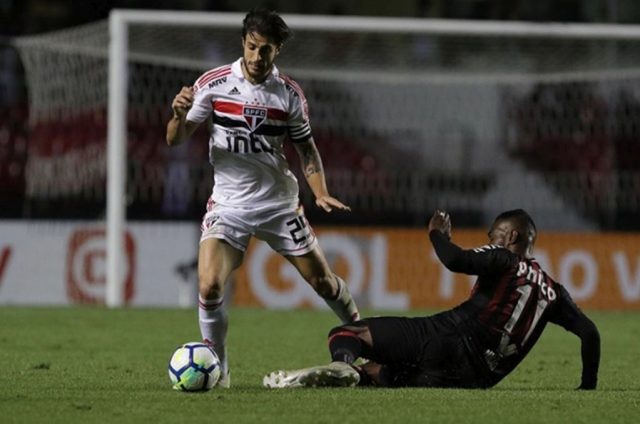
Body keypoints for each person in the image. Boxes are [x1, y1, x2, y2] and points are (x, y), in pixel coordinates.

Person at [166, 8, 360, 388]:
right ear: (243, 43)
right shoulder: (214, 84)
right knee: (208, 286)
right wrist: (178, 114)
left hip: (278, 205)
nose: (257, 57)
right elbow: (175, 139)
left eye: (266, 50)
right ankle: (218, 367)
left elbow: (307, 150)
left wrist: (319, 192)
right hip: (229, 207)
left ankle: (363, 332)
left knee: (322, 282)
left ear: (278, 51)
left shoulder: (288, 94)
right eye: (252, 47)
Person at [263, 209, 601, 390]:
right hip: (475, 379)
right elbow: (590, 334)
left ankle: (341, 363)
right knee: (378, 374)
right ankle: (355, 375)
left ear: (511, 236)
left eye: (494, 234)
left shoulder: (505, 257)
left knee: (348, 333)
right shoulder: (554, 290)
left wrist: (436, 234)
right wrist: (587, 387)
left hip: (449, 337)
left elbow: (456, 261)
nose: (490, 239)